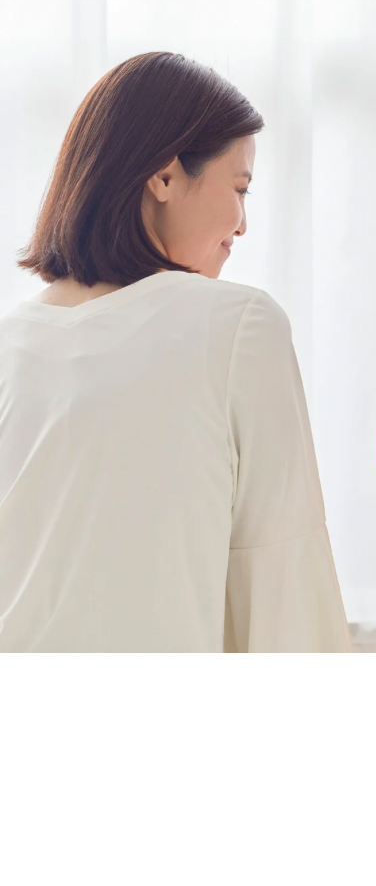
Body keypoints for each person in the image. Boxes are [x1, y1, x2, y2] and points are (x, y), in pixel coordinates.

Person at [0, 52, 350, 652]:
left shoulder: (12, 340)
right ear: (164, 178)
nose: (242, 224)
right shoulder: (238, 327)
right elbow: (285, 586)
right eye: (239, 188)